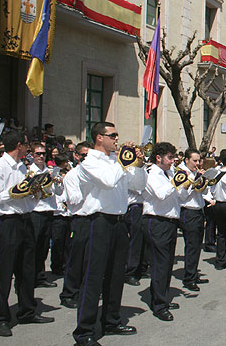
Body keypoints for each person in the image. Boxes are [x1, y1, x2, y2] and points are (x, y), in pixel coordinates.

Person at [74, 122, 146, 345]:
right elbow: (107, 181)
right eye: (112, 135)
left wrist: (139, 164)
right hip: (99, 222)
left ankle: (111, 320)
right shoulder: (89, 162)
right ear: (99, 138)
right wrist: (124, 161)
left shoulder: (115, 162)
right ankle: (84, 330)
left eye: (117, 135)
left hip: (119, 222)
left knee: (116, 275)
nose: (117, 139)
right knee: (94, 277)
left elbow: (139, 185)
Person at [0, 130, 55, 337]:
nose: (28, 148)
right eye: (26, 145)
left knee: (27, 270)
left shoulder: (19, 166)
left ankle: (27, 310)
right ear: (19, 145)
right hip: (7, 222)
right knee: (5, 272)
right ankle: (0, 318)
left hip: (25, 220)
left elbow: (24, 195)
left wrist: (34, 190)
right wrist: (15, 192)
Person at [142, 142, 189, 321]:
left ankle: (162, 296)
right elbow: (161, 194)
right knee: (159, 264)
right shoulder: (151, 174)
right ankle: (159, 305)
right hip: (156, 221)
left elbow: (181, 197)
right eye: (170, 157)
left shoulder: (169, 173)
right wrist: (177, 182)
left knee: (167, 263)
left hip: (170, 222)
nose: (173, 161)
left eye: (173, 157)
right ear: (158, 158)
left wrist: (186, 185)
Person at [59, 142, 90, 309]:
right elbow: (74, 199)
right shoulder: (72, 176)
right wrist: (89, 188)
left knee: (89, 258)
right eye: (84, 155)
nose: (87, 159)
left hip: (92, 219)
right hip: (79, 219)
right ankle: (69, 293)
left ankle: (84, 290)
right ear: (76, 157)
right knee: (76, 258)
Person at [28, 142, 62, 288]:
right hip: (36, 211)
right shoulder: (29, 171)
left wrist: (58, 182)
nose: (41, 156)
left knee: (43, 248)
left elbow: (59, 193)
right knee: (33, 246)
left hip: (49, 210)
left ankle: (40, 276)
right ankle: (30, 276)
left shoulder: (51, 170)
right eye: (38, 154)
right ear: (32, 155)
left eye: (43, 154)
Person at [178, 148, 213, 291]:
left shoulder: (195, 172)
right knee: (191, 246)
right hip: (188, 212)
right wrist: (194, 183)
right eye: (195, 161)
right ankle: (189, 278)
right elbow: (181, 195)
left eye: (199, 160)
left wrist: (203, 181)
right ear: (186, 160)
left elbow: (203, 192)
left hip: (198, 211)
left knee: (197, 245)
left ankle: (193, 272)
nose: (198, 163)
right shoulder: (181, 174)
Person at [50, 153, 72, 276]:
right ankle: (57, 266)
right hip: (58, 212)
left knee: (67, 242)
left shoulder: (69, 172)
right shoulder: (54, 173)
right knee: (58, 241)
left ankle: (65, 264)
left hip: (67, 212)